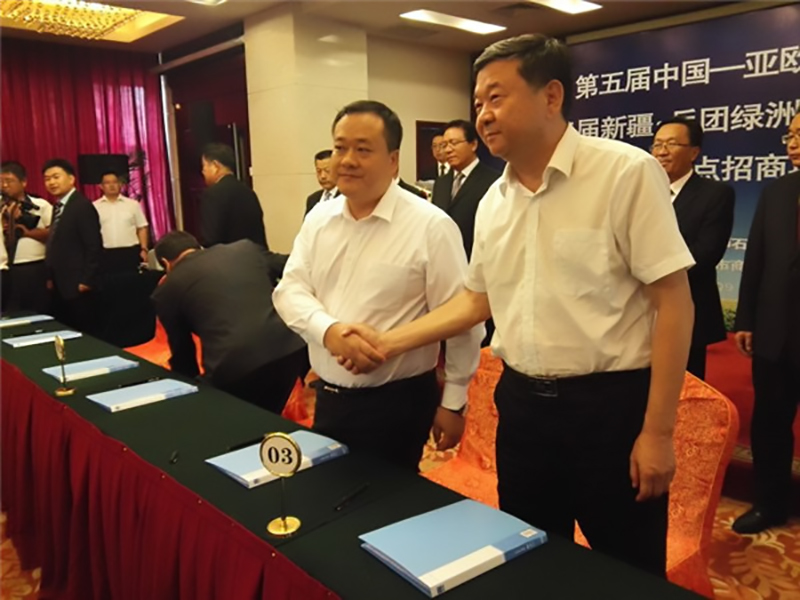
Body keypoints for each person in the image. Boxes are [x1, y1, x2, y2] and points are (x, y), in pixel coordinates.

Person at [338, 35, 695, 577]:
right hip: (524, 410)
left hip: (609, 411)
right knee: (531, 560)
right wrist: (387, 342)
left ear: (551, 96)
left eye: (496, 98)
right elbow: (476, 301)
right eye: (477, 102)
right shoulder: (494, 202)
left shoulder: (624, 173)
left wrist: (659, 432)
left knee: (628, 569)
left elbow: (673, 302)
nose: (483, 115)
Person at [273, 100, 483, 472]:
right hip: (329, 397)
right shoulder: (319, 218)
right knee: (330, 491)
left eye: (363, 149)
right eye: (340, 148)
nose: (347, 160)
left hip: (399, 403)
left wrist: (453, 402)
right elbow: (289, 290)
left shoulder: (431, 226)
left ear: (393, 160)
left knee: (391, 500)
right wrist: (329, 331)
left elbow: (462, 319)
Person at [731, 111, 800, 535]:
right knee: (770, 424)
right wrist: (746, 319)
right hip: (776, 333)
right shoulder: (777, 191)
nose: (792, 142)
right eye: (790, 134)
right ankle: (769, 504)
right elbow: (755, 257)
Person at [152, 231, 307, 414]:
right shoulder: (245, 249)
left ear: (165, 263)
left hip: (233, 365)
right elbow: (290, 265)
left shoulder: (167, 289)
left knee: (225, 418)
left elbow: (183, 354)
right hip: (289, 348)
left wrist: (189, 395)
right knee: (267, 416)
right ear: (198, 246)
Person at [651, 117, 735, 380]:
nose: (662, 151)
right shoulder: (643, 191)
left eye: (671, 144)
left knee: (684, 389)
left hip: (686, 308)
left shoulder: (715, 194)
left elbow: (706, 253)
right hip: (638, 312)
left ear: (694, 152)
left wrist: (650, 274)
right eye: (657, 144)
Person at [43, 159, 103, 333]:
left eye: (56, 177)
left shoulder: (81, 206)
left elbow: (94, 245)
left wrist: (87, 280)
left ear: (71, 179)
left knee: (86, 331)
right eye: (47, 179)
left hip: (79, 284)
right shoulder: (58, 206)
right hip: (61, 283)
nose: (51, 182)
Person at [432, 119, 500, 259]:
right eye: (444, 145)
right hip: (442, 260)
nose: (448, 150)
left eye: (454, 143)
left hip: (476, 260)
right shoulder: (441, 183)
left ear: (473, 144)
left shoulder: (494, 181)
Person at [1, 160, 52, 313]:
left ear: (23, 182)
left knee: (38, 311)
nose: (4, 185)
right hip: (5, 270)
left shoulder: (41, 205)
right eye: (1, 181)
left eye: (9, 181)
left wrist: (27, 231)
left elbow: (54, 234)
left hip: (34, 267)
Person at [199, 143, 268, 248]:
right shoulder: (248, 191)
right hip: (254, 254)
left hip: (227, 256)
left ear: (215, 166)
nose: (203, 171)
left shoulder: (212, 194)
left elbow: (210, 239)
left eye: (204, 166)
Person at [93, 170, 149, 273]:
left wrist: (144, 249)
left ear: (120, 184)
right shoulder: (94, 207)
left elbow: (142, 227)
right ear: (101, 186)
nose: (111, 185)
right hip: (105, 254)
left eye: (115, 182)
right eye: (107, 183)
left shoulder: (132, 205)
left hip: (130, 252)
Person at [305, 149, 338, 215]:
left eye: (327, 170)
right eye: (319, 171)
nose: (323, 176)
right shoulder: (312, 199)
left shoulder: (347, 198)